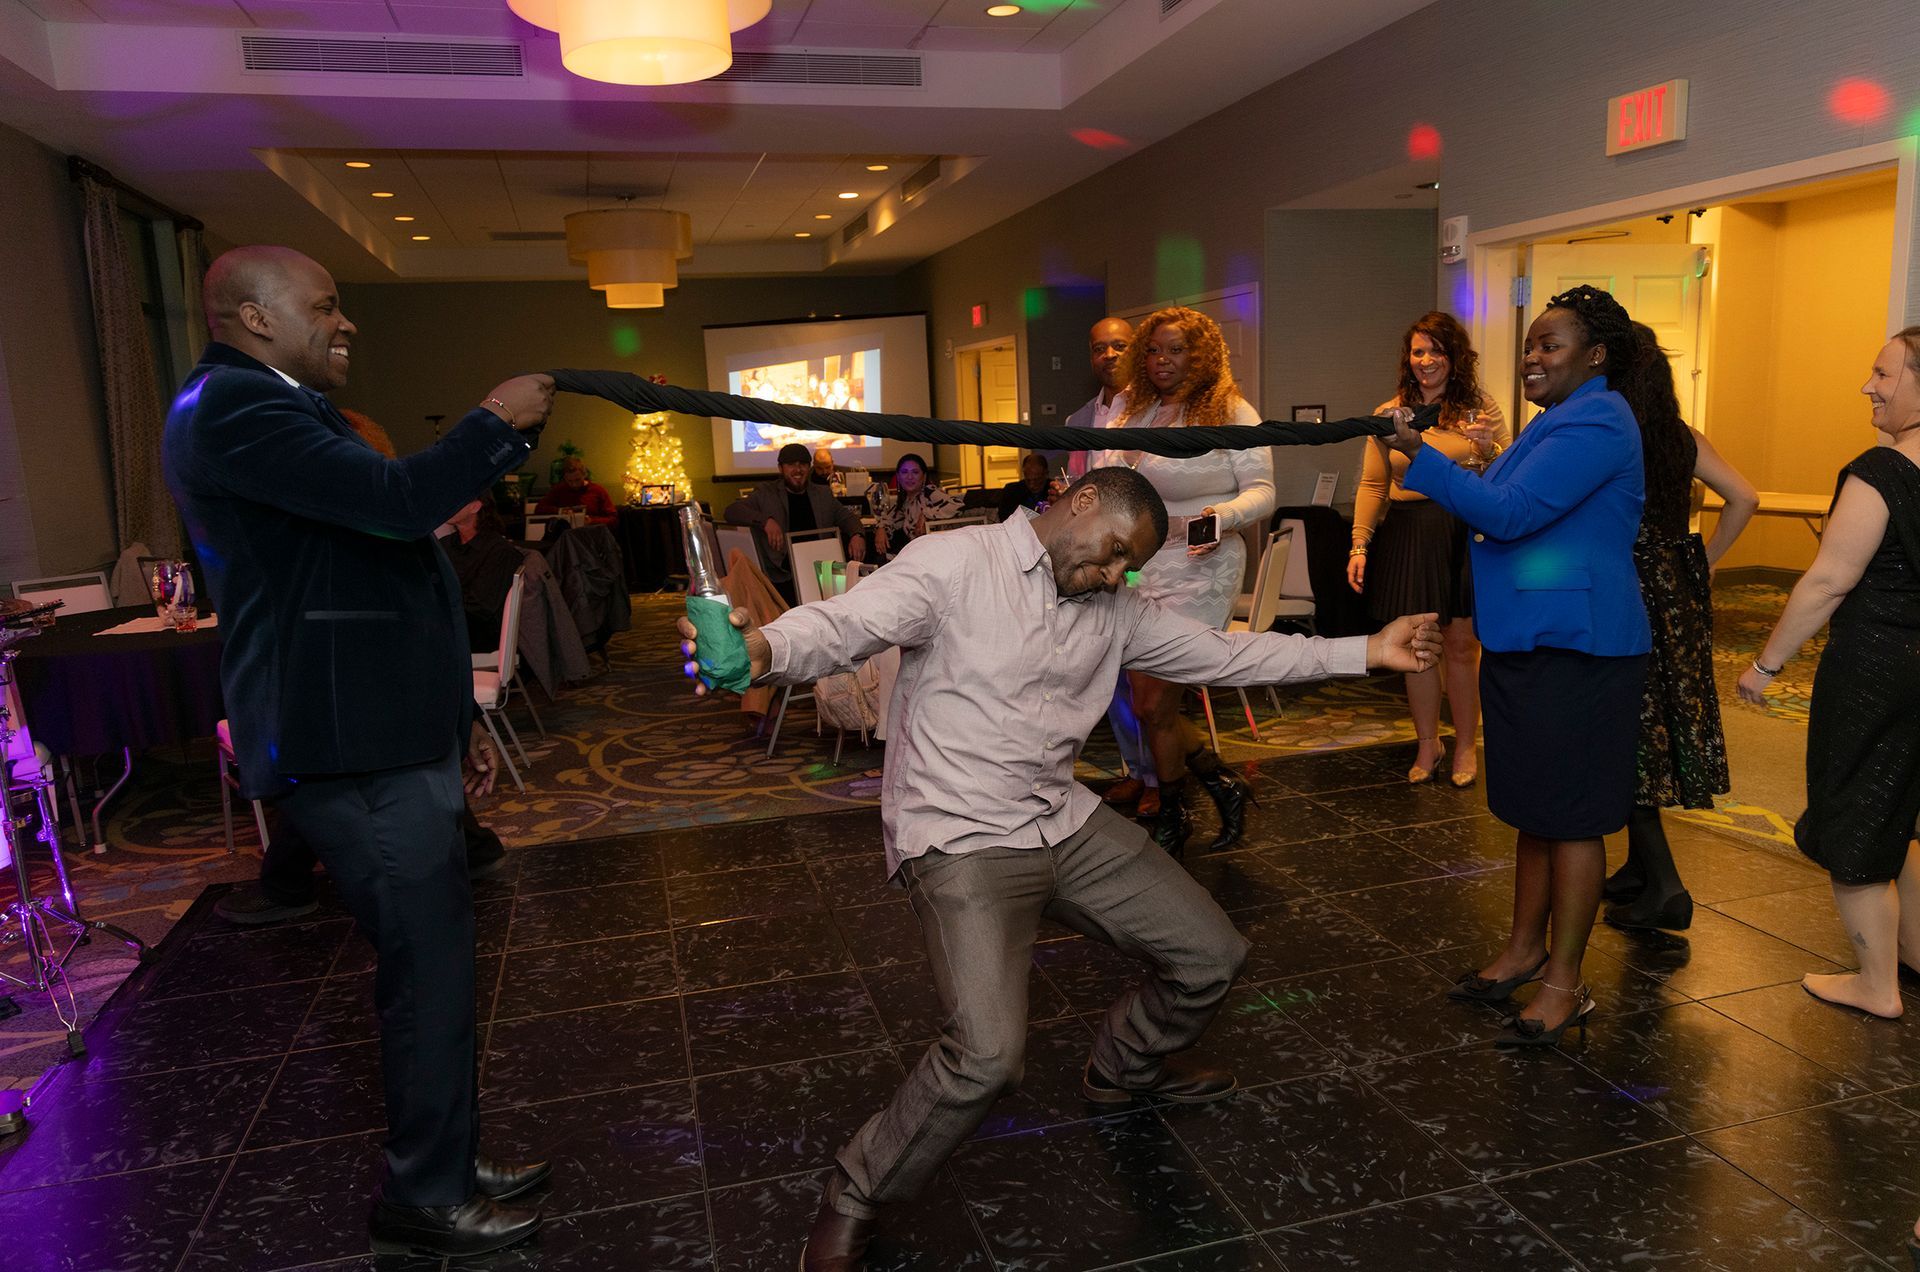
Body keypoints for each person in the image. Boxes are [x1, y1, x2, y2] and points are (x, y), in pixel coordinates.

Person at [675, 467, 1441, 1271]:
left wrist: (1368, 649)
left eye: (1129, 567)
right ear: (1077, 505)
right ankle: (857, 1191)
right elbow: (839, 627)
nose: (1115, 576)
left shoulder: (1116, 607)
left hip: (1059, 818)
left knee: (1212, 953)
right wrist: (755, 650)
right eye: (1112, 553)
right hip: (959, 832)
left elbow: (1222, 654)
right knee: (986, 1057)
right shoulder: (955, 565)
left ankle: (1123, 1065)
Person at [162, 245, 554, 1257]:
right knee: (426, 972)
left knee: (439, 964)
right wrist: (490, 422)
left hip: (381, 729)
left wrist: (449, 725)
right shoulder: (239, 408)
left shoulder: (273, 407)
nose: (347, 324)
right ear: (253, 318)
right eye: (326, 307)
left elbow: (372, 546)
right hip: (349, 742)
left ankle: (449, 1160)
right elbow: (393, 505)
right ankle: (426, 1195)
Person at [1387, 284, 1650, 1047]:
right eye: (1530, 344)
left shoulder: (1598, 419)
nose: (1533, 357)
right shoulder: (1550, 424)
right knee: (1536, 813)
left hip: (1582, 645)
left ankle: (1565, 985)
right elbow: (1497, 503)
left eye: (1551, 344)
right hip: (1534, 636)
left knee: (1569, 822)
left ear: (1594, 357)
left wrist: (1419, 454)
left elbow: (1507, 514)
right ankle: (1521, 952)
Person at [1737, 327, 1920, 1019]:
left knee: (1854, 816)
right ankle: (1913, 957)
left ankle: (1876, 986)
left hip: (1874, 669)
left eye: (1882, 373)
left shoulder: (1882, 471)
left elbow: (1827, 580)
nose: (1869, 385)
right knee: (1898, 811)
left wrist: (1765, 664)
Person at [1092, 306, 1274, 856]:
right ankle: (1219, 786)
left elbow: (1263, 491)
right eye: (1153, 350)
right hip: (1144, 563)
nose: (1162, 360)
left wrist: (1219, 518)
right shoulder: (1133, 408)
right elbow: (1108, 474)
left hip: (1203, 566)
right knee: (1149, 703)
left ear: (1200, 355)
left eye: (1175, 350)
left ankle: (1174, 815)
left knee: (1153, 701)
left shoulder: (1231, 411)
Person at [1604, 322, 1756, 931]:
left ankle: (1667, 887)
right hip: (1676, 588)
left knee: (1635, 727)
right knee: (1664, 717)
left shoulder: (1613, 437)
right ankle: (1639, 870)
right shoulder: (1681, 437)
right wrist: (1705, 560)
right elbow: (1743, 497)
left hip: (1626, 585)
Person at [1350, 312, 1507, 786]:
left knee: (1462, 646)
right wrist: (1359, 543)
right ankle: (1427, 743)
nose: (1426, 360)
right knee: (1418, 644)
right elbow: (1372, 484)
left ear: (1454, 357)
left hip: (1464, 529)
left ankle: (1464, 746)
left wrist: (1489, 451)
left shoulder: (1480, 408)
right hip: (1410, 531)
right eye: (1418, 351)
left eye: (1436, 351)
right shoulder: (1389, 412)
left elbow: (1508, 477)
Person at [1062, 317, 1157, 816]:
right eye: (1100, 348)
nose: (1109, 355)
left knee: (1144, 669)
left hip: (1141, 556)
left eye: (1119, 345)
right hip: (1094, 559)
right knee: (1108, 668)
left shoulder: (1154, 412)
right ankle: (1136, 769)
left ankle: (1162, 775)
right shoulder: (1079, 421)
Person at [725, 441, 867, 605]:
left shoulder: (822, 494)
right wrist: (766, 521)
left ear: (809, 467)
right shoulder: (766, 493)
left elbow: (847, 517)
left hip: (819, 572)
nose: (798, 470)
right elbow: (731, 511)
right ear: (781, 468)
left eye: (803, 465)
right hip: (783, 576)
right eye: (791, 464)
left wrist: (857, 535)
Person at [441, 497, 525, 656]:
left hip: (478, 637)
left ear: (475, 506)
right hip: (452, 626)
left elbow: (480, 608)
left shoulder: (499, 551)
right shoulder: (445, 545)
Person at [870, 452, 960, 559]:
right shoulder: (906, 501)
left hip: (939, 555)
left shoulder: (929, 492)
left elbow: (957, 505)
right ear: (898, 477)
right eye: (904, 472)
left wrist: (926, 514)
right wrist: (881, 528)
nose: (909, 477)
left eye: (915, 472)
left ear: (924, 476)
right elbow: (891, 518)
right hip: (917, 555)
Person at [535, 456, 617, 526]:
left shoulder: (597, 490)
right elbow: (539, 509)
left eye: (577, 480)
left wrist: (592, 521)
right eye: (570, 481)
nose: (574, 484)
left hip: (591, 535)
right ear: (565, 478)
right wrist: (560, 511)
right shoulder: (559, 490)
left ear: (584, 475)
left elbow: (613, 519)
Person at [997, 452, 1052, 521]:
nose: (1032, 485)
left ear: (1046, 474)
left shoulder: (1054, 491)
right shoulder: (1012, 491)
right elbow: (1004, 517)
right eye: (1028, 480)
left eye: (1036, 480)